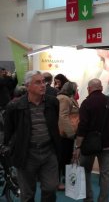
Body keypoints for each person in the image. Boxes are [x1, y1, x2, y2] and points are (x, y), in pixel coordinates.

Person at [3, 70, 61, 201]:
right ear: (28, 86)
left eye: (43, 82)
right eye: (38, 82)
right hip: (26, 153)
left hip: (49, 151)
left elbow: (54, 125)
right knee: (28, 193)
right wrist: (11, 150)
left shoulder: (53, 103)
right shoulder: (15, 106)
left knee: (51, 188)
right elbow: (9, 131)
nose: (43, 85)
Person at [72, 78, 109, 202]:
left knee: (85, 172)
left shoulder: (86, 103)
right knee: (106, 174)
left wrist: (78, 146)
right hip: (108, 144)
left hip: (89, 145)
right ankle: (103, 200)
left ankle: (88, 198)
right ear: (101, 88)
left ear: (89, 89)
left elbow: (82, 126)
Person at [56, 81, 80, 191]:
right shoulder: (64, 99)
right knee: (62, 159)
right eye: (76, 88)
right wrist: (71, 133)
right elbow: (63, 117)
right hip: (64, 135)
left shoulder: (66, 98)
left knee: (65, 158)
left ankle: (62, 180)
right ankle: (57, 182)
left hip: (66, 134)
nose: (77, 90)